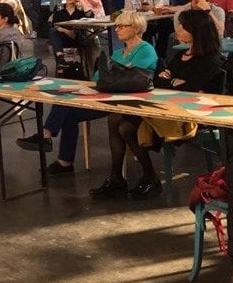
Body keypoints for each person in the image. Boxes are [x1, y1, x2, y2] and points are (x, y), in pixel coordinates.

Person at [92, 10, 221, 200]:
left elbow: (191, 89)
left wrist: (172, 81)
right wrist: (174, 81)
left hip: (186, 115)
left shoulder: (209, 60)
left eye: (182, 26)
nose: (177, 29)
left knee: (124, 125)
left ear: (196, 31)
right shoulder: (181, 55)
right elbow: (158, 82)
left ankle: (140, 178)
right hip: (162, 108)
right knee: (118, 121)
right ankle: (124, 178)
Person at [17, 11, 157, 176]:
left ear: (135, 28)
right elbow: (99, 76)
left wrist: (112, 76)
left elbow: (134, 78)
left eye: (121, 26)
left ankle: (47, 136)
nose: (116, 29)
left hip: (129, 100)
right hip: (107, 96)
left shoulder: (146, 50)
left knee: (68, 105)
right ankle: (64, 160)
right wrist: (114, 76)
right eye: (116, 26)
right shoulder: (119, 53)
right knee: (67, 106)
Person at [48, 0, 93, 72]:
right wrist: (66, 31)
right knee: (52, 31)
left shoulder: (80, 8)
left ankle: (82, 70)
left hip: (77, 37)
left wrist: (82, 1)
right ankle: (61, 59)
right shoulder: (59, 7)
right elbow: (55, 25)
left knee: (82, 35)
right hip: (63, 37)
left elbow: (90, 17)